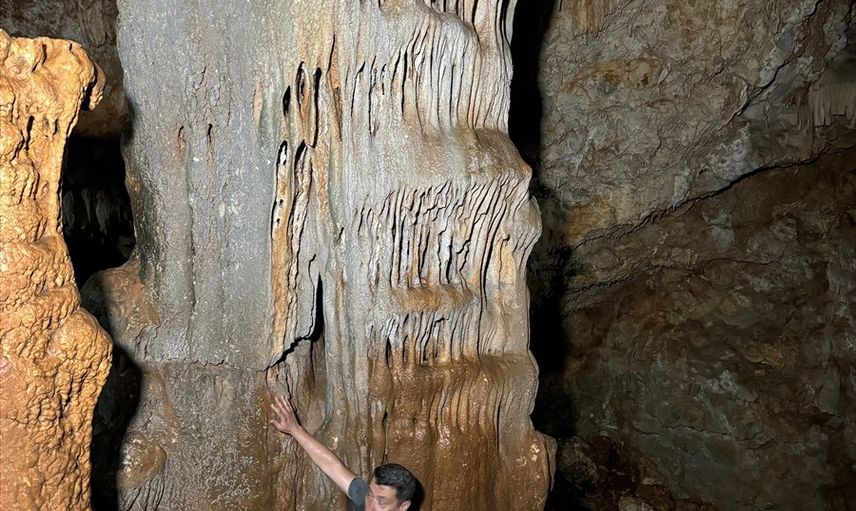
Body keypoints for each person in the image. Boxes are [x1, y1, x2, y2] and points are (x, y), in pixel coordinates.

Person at [270, 392, 417, 511]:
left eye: (382, 503)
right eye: (369, 494)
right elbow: (332, 466)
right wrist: (295, 430)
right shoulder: (368, 498)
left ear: (403, 507)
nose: (370, 507)